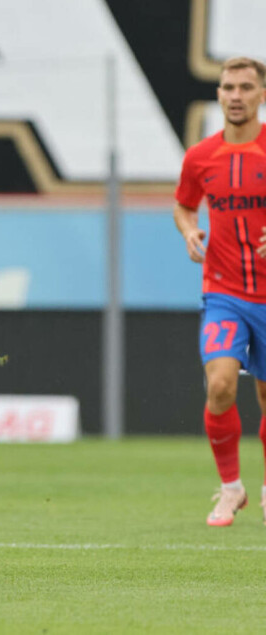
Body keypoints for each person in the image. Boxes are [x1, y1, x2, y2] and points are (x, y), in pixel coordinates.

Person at [174, 56, 266, 526]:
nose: (235, 95)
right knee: (221, 385)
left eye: (246, 87)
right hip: (224, 292)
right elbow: (184, 205)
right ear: (219, 94)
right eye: (228, 86)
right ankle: (231, 488)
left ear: (261, 95)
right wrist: (189, 231)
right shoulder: (200, 156)